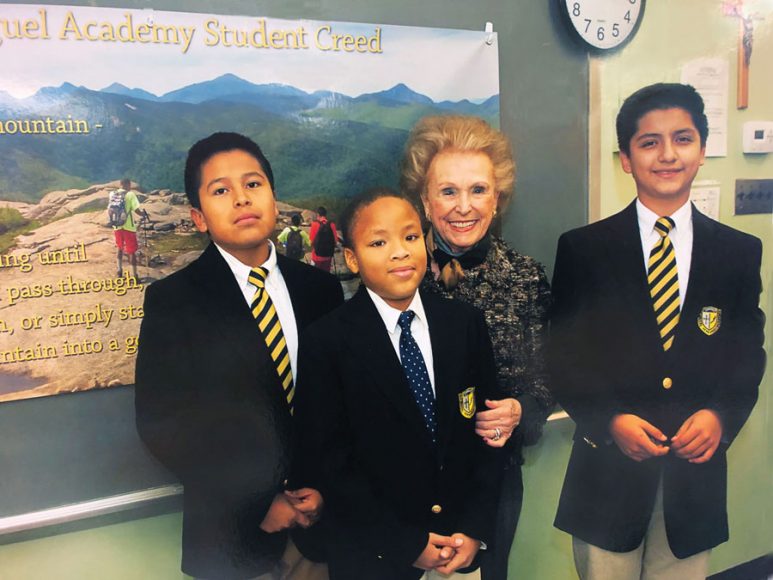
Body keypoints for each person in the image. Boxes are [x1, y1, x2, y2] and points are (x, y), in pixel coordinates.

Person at [549, 83, 766, 580]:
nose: (668, 154)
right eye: (649, 142)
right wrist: (608, 422)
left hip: (695, 480)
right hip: (606, 481)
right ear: (626, 158)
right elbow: (563, 357)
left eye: (683, 139)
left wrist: (721, 416)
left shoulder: (738, 252)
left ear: (702, 151)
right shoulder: (584, 250)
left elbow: (746, 355)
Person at [135, 132, 344, 580]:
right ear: (198, 218)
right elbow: (163, 425)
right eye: (220, 191)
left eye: (253, 184)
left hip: (321, 527)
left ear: (272, 195)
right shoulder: (174, 301)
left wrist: (326, 489)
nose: (241, 199)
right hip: (231, 535)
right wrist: (260, 500)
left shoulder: (320, 290)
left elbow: (342, 405)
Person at [293, 188, 503, 580]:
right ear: (353, 259)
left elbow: (487, 434)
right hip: (375, 556)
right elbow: (331, 462)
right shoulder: (328, 342)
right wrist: (406, 543)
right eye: (378, 242)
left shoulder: (464, 324)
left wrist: (475, 528)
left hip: (459, 548)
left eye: (410, 237)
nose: (400, 252)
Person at [400, 115, 553, 580]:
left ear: (497, 198)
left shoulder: (525, 277)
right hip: (401, 482)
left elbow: (548, 381)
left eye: (478, 190)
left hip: (492, 480)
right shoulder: (392, 275)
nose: (463, 206)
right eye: (448, 191)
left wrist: (521, 410)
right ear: (424, 201)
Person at [111, 177, 143, 281]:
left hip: (117, 226)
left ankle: (119, 271)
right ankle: (135, 276)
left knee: (120, 248)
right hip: (128, 227)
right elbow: (136, 210)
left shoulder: (113, 194)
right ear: (128, 185)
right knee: (131, 251)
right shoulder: (130, 194)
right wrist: (143, 214)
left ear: (120, 184)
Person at [309, 206, 338, 271]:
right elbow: (335, 242)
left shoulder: (314, 224)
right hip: (328, 257)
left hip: (316, 257)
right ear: (325, 214)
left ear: (318, 214)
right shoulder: (332, 224)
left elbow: (311, 242)